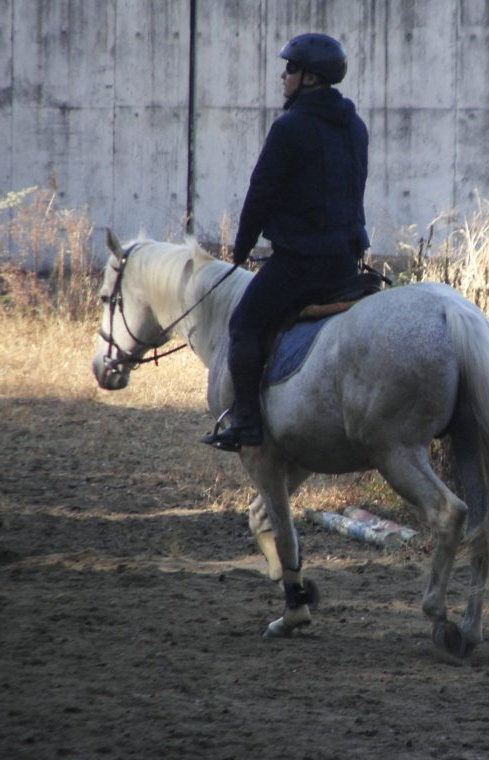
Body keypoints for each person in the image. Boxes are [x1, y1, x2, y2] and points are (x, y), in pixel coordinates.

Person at [204, 33, 370, 452]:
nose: (284, 75)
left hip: (301, 266)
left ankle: (246, 424)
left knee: (243, 326)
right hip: (346, 264)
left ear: (310, 78)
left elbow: (261, 192)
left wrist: (241, 250)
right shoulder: (356, 127)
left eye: (291, 68)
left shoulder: (289, 127)